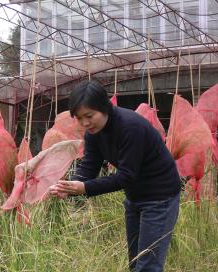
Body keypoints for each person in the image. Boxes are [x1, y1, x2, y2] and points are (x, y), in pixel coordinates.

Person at [50, 80, 181, 272]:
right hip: (135, 197)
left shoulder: (130, 127)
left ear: (104, 108)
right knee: (136, 262)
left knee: (148, 266)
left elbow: (127, 175)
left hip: (160, 197)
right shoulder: (93, 133)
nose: (85, 123)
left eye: (89, 115)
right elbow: (90, 165)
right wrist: (70, 187)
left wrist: (85, 188)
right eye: (79, 118)